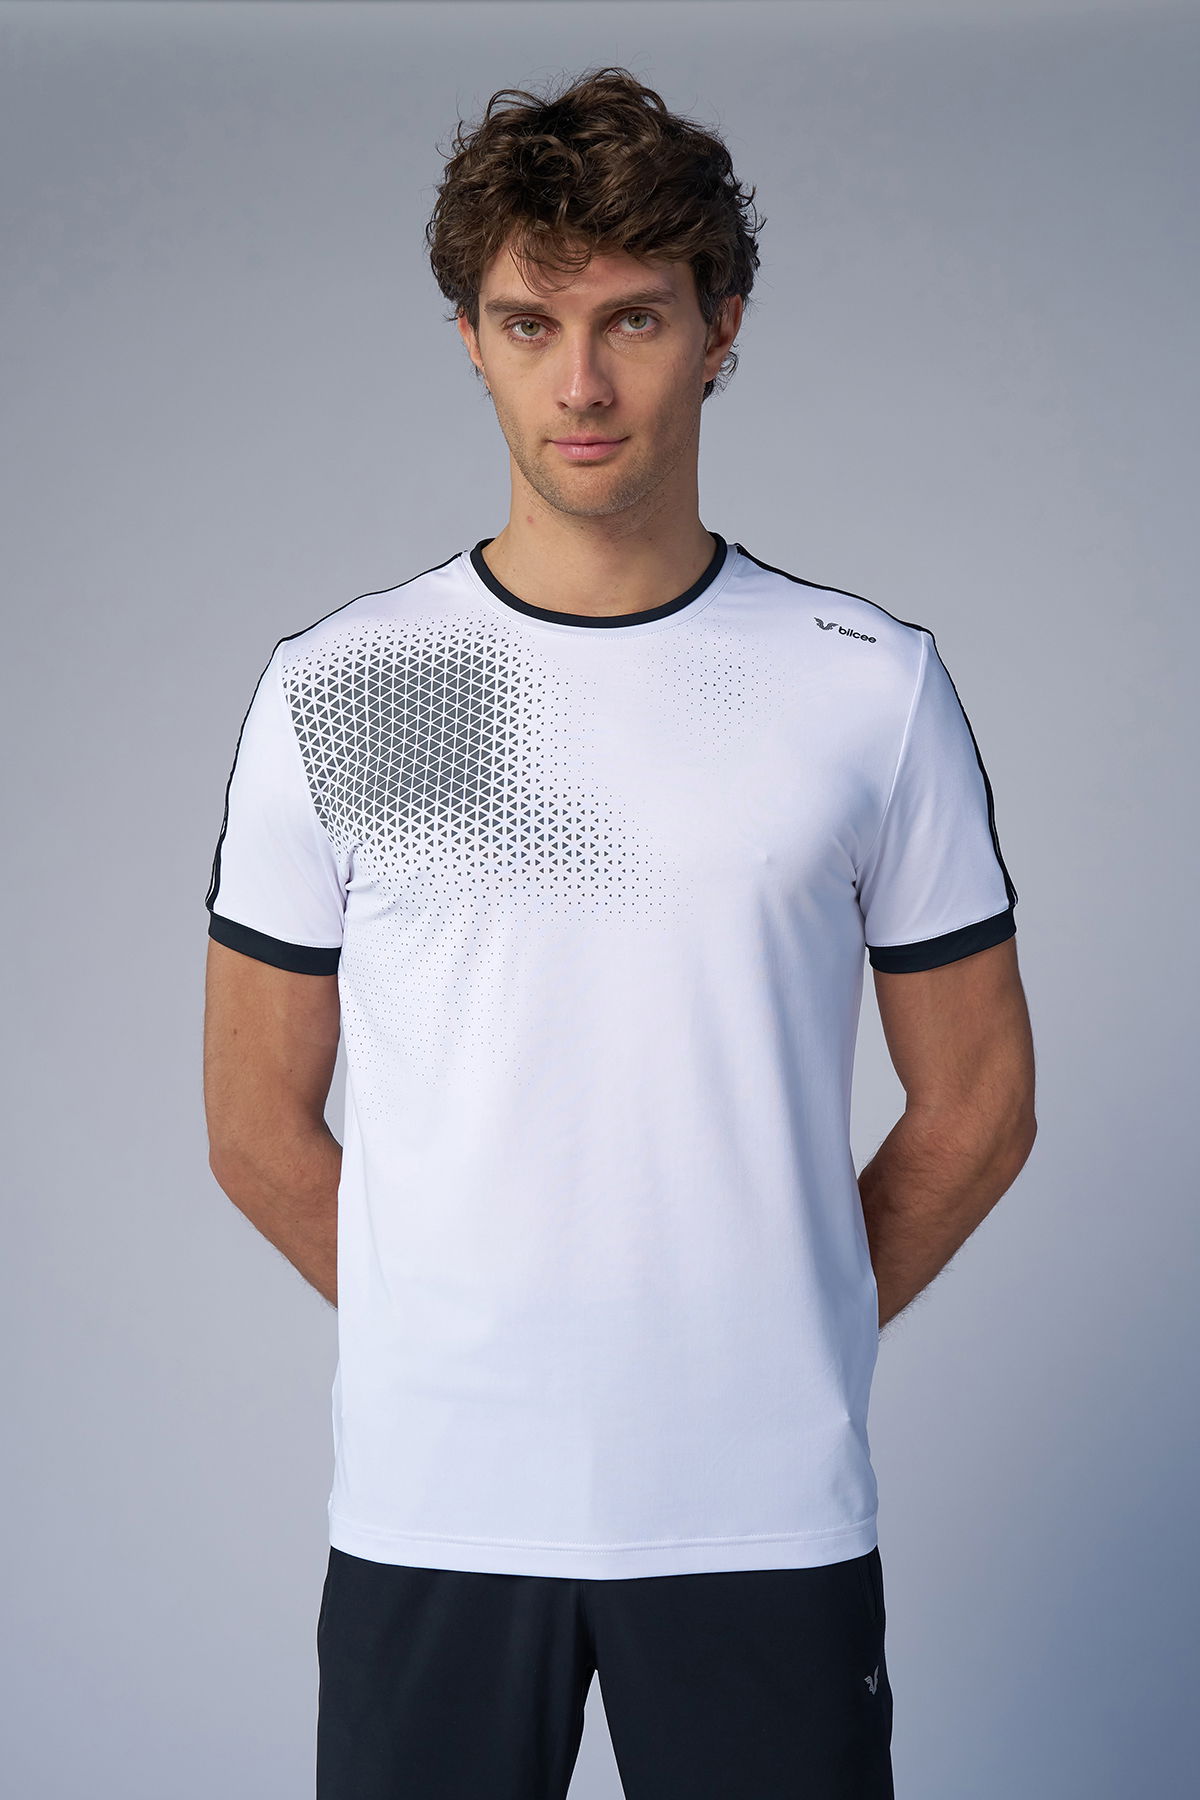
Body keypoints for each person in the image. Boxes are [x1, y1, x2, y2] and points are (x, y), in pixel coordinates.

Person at [202, 65, 1037, 1800]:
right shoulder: (350, 689)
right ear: (472, 341)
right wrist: (464, 1328)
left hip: (760, 1507)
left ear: (722, 330)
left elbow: (980, 1104)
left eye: (634, 320)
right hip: (438, 1505)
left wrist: (780, 1327)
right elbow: (253, 1124)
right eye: (532, 324)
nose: (580, 384)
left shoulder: (867, 689)